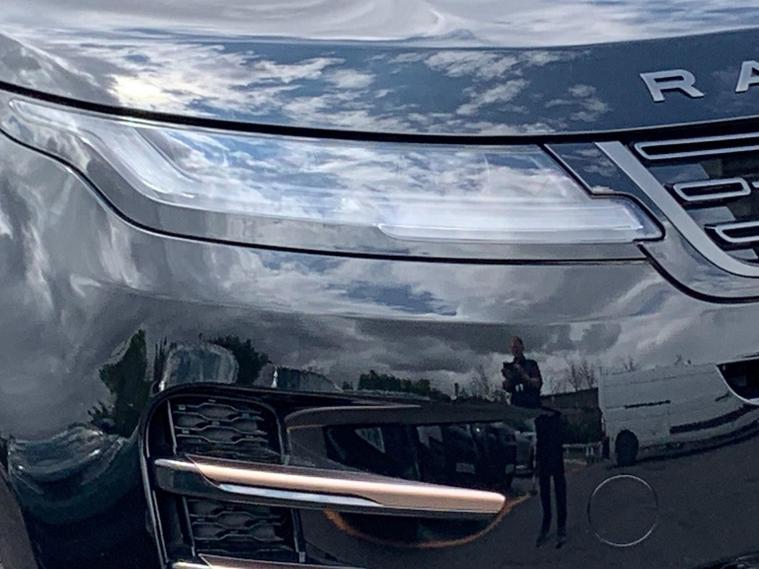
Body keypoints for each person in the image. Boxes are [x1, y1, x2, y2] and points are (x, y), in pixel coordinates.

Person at [501, 336, 543, 409]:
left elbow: (538, 383)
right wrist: (508, 379)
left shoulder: (531, 364)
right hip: (516, 407)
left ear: (522, 348)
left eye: (517, 347)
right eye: (513, 348)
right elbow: (507, 388)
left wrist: (524, 376)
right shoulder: (511, 367)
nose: (515, 350)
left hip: (532, 406)